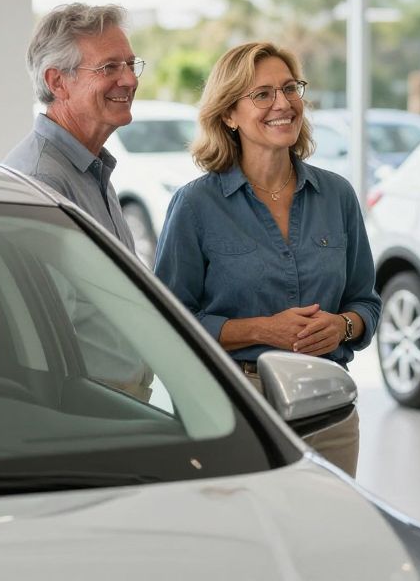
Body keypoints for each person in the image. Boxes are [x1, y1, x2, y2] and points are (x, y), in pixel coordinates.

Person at [154, 41, 380, 477]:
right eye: (262, 94)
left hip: (328, 407)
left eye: (290, 88)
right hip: (237, 409)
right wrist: (260, 329)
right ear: (228, 115)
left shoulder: (337, 195)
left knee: (325, 539)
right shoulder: (196, 205)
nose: (284, 103)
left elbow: (365, 303)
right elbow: (169, 323)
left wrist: (342, 326)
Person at [5, 3, 151, 400]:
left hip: (119, 398)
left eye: (130, 64)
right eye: (109, 68)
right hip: (89, 405)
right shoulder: (42, 179)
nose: (128, 80)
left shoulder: (90, 166)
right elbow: (46, 333)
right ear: (58, 82)